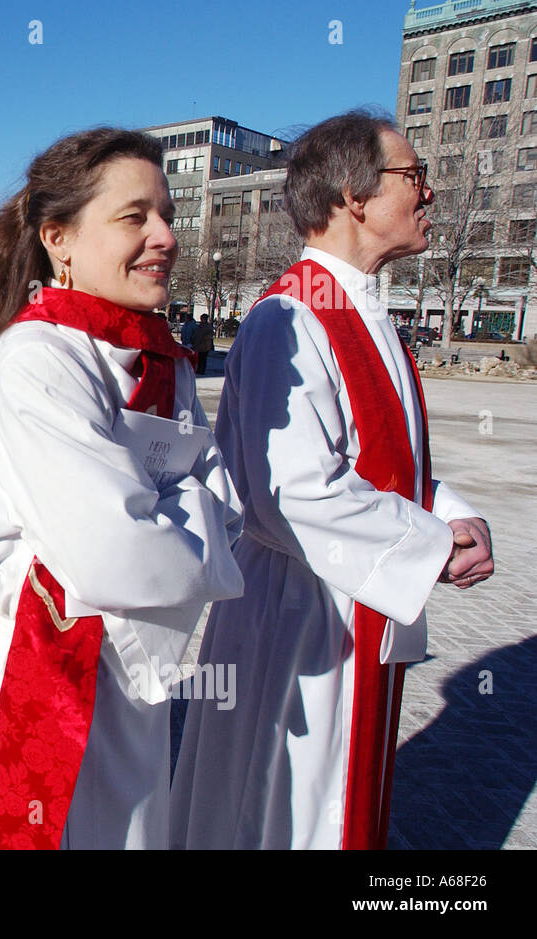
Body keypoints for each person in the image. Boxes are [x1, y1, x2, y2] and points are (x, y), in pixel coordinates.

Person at [169, 112, 494, 851]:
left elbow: (383, 459)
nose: (430, 193)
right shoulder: (289, 316)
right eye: (412, 177)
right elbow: (293, 492)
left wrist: (453, 516)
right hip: (301, 614)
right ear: (353, 192)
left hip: (350, 594)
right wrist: (430, 544)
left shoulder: (362, 306)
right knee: (285, 811)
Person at [0, 128, 244, 850]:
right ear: (58, 239)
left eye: (166, 214)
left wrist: (168, 511)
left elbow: (223, 506)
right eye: (135, 217)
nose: (164, 236)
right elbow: (119, 553)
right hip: (45, 680)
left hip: (130, 690)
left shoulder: (157, 356)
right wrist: (177, 507)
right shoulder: (36, 359)